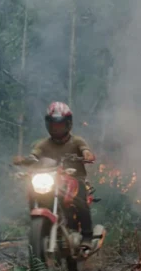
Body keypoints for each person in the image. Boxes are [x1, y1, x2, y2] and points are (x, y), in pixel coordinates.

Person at [13, 101, 95, 249]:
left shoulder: (76, 141)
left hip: (74, 179)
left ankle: (87, 236)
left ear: (68, 124)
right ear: (48, 125)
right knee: (33, 191)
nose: (56, 128)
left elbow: (84, 150)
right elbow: (34, 156)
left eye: (60, 125)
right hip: (52, 180)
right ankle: (40, 229)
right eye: (53, 125)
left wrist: (87, 154)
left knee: (80, 200)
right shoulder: (43, 144)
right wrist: (24, 160)